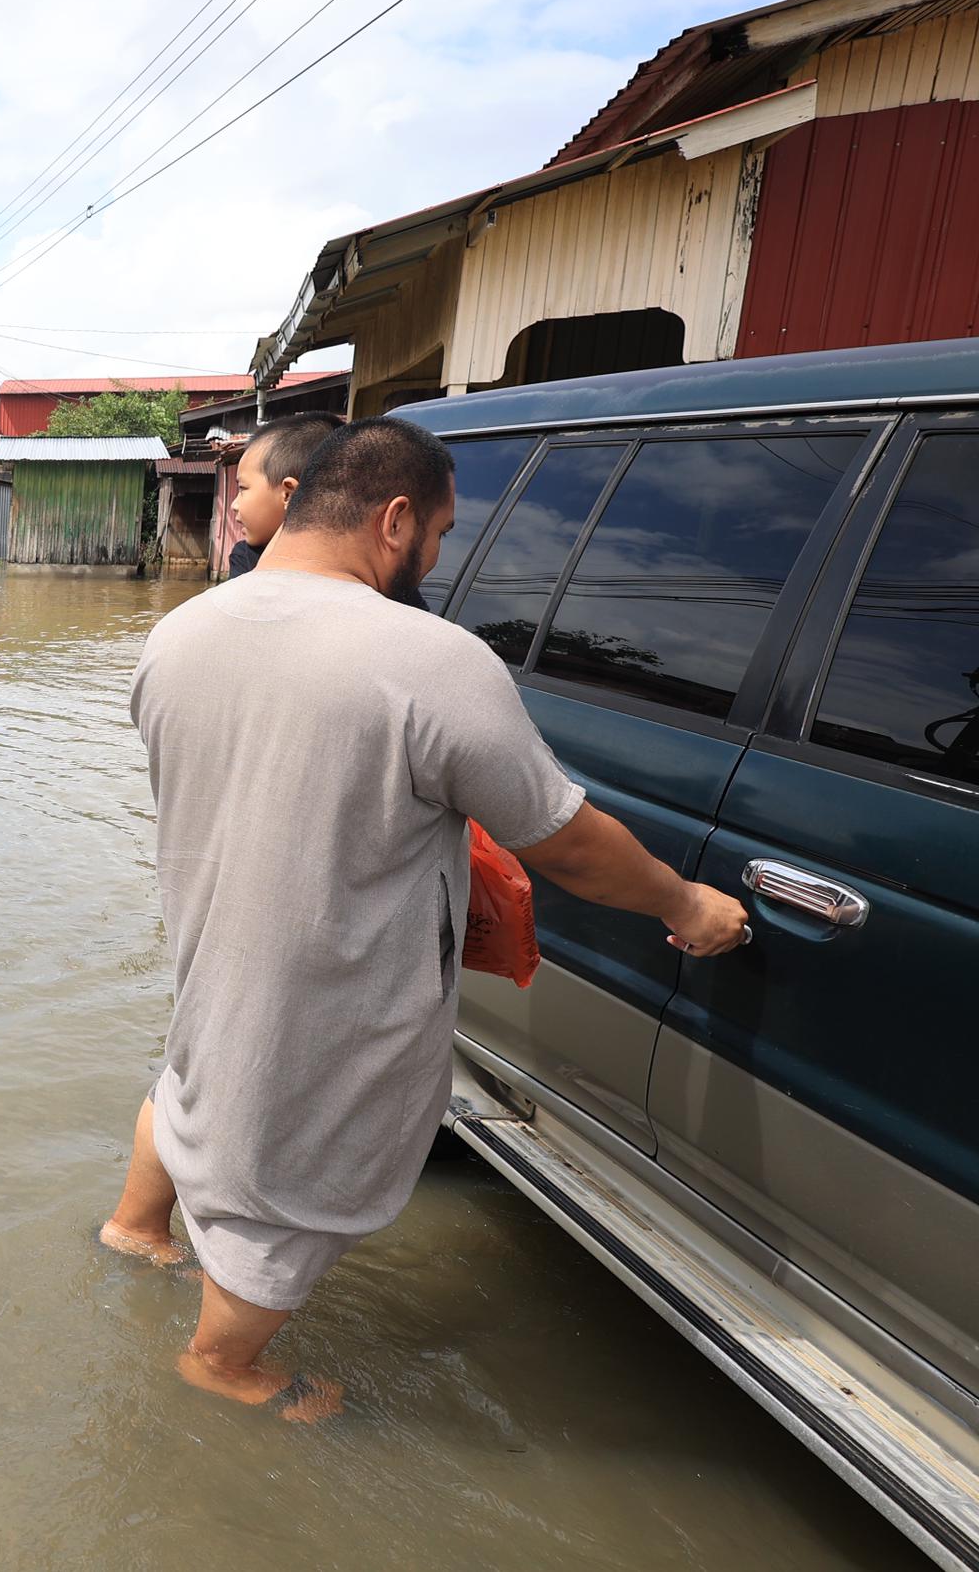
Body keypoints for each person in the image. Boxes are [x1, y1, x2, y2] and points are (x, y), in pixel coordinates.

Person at [100, 416, 748, 1422]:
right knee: (301, 1149)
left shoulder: (179, 630)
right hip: (331, 981)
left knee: (202, 1082)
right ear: (394, 519)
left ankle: (136, 1230)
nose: (439, 555)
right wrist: (687, 901)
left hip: (210, 939)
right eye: (441, 533)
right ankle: (221, 1364)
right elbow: (565, 839)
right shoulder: (428, 657)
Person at [223, 411, 345, 579]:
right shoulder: (245, 557)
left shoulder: (249, 561)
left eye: (243, 488)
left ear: (289, 494)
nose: (234, 505)